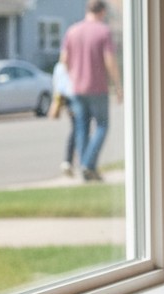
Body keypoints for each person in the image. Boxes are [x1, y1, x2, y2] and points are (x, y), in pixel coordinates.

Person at [61, 0, 122, 182]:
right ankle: (87, 164)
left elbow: (64, 60)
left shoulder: (72, 31)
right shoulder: (103, 31)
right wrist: (118, 85)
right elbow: (109, 59)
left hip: (77, 88)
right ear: (102, 11)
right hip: (97, 88)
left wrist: (70, 80)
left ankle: (87, 169)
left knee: (82, 128)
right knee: (102, 126)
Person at [50, 60, 76, 177]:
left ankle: (68, 161)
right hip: (74, 98)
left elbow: (57, 87)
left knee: (76, 129)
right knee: (79, 129)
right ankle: (73, 161)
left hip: (66, 99)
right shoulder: (72, 64)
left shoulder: (58, 67)